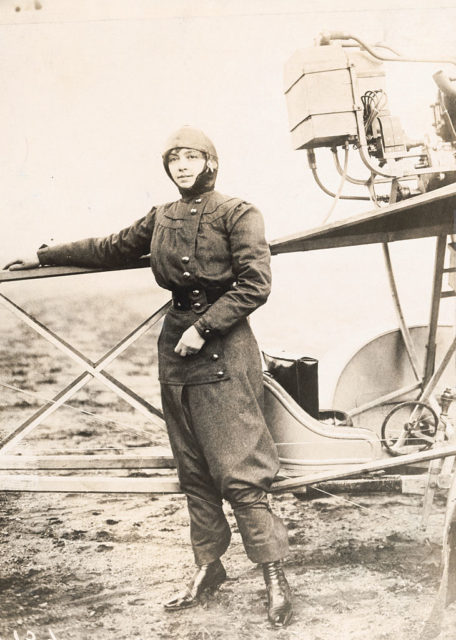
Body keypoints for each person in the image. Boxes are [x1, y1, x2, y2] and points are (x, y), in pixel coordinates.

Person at [4, 126, 293, 627]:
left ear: (210, 162)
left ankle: (274, 576)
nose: (181, 166)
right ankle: (209, 568)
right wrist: (44, 255)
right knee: (195, 469)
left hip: (224, 349)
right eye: (173, 159)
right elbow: (111, 246)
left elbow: (255, 283)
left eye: (191, 157)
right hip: (175, 354)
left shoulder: (238, 212)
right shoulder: (162, 217)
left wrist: (204, 328)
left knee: (240, 468)